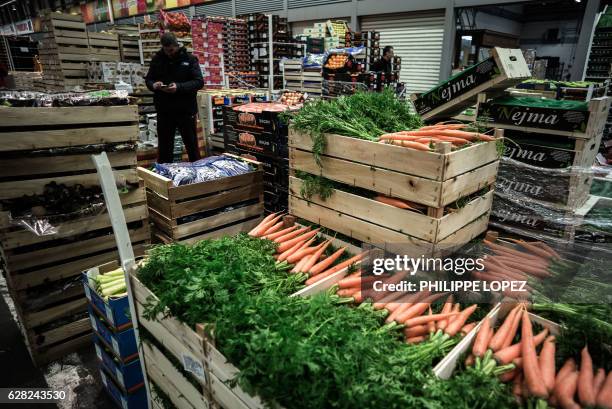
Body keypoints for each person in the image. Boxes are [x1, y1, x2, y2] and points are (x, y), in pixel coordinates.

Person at [145, 32, 204, 163]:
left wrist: (179, 87)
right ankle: (165, 176)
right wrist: (154, 85)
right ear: (162, 47)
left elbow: (199, 82)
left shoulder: (190, 59)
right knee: (165, 147)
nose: (169, 53)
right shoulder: (157, 59)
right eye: (166, 50)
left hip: (185, 110)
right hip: (164, 111)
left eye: (171, 50)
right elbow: (149, 79)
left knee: (191, 146)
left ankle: (199, 173)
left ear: (176, 45)